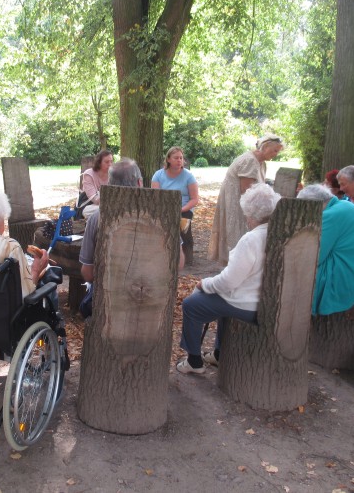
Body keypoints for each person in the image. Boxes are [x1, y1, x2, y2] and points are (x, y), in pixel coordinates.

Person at [177, 183, 281, 374]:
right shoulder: (278, 233)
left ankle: (194, 360)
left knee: (191, 305)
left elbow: (229, 282)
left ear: (251, 214)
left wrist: (205, 284)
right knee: (220, 301)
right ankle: (219, 353)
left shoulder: (251, 239)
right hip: (263, 301)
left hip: (247, 303)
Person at [78, 158, 185, 318]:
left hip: (109, 307)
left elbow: (88, 273)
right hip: (154, 305)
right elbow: (179, 263)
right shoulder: (164, 217)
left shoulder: (97, 218)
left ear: (109, 184)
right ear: (140, 182)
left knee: (86, 307)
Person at [207, 134, 283, 270]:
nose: (276, 154)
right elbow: (246, 190)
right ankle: (236, 266)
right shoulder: (250, 161)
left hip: (245, 202)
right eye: (275, 150)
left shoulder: (260, 162)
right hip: (238, 203)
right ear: (265, 147)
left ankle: (243, 265)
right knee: (238, 232)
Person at [296, 184, 354, 316]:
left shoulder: (330, 215)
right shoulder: (347, 205)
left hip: (341, 281)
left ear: (313, 205)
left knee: (295, 273)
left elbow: (315, 257)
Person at [80, 149, 113, 218]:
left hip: (108, 205)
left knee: (111, 210)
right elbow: (95, 199)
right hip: (89, 205)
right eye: (107, 162)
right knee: (106, 210)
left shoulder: (113, 175)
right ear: (99, 163)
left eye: (111, 161)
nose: (110, 164)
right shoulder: (89, 174)